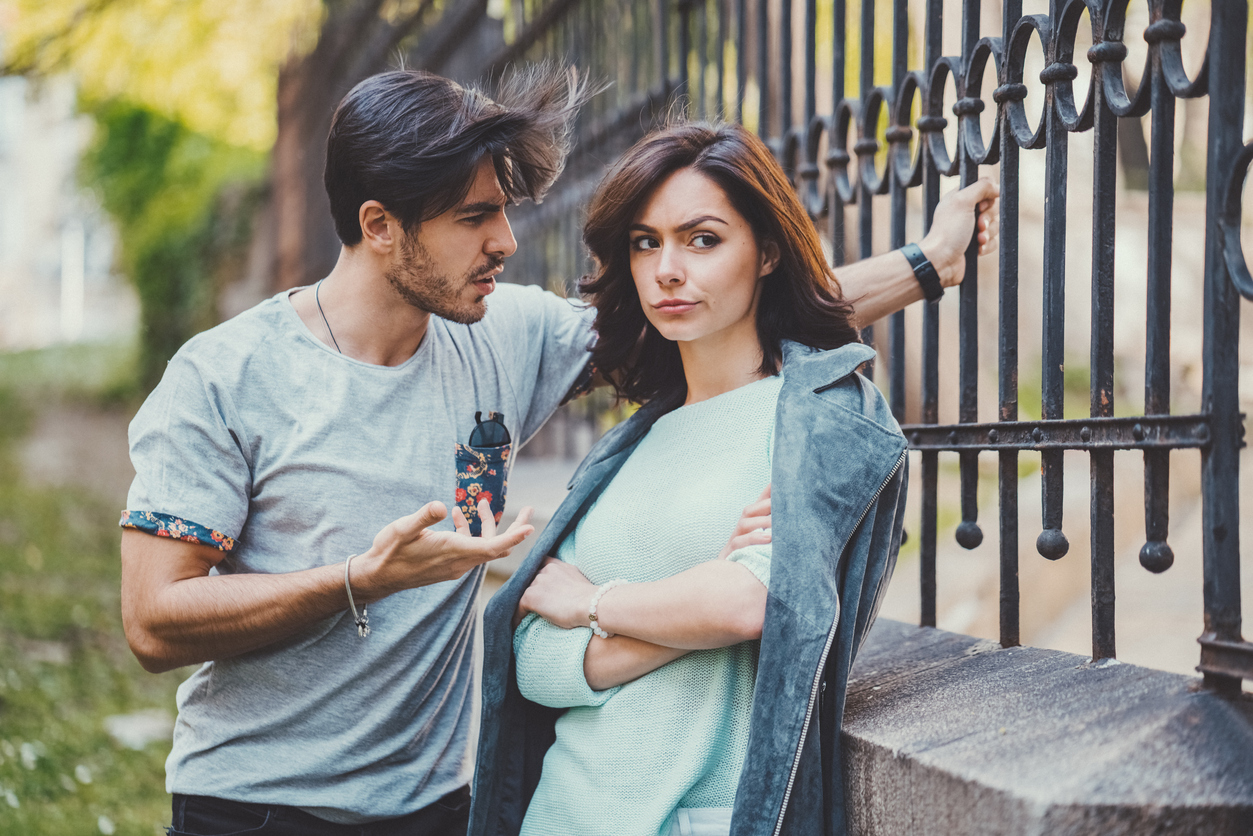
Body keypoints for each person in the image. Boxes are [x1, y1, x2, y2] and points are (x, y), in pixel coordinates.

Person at [118, 65, 996, 834]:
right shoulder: (225, 376)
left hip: (440, 805)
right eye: (475, 218)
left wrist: (927, 265)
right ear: (380, 225)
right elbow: (153, 621)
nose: (504, 241)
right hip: (261, 808)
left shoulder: (504, 333)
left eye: (502, 211)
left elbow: (714, 306)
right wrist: (363, 579)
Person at [468, 121, 939, 836]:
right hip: (559, 815)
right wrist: (683, 605)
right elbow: (532, 659)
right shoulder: (629, 445)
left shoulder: (814, 419)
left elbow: (748, 606)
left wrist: (593, 603)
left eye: (702, 240)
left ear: (768, 251)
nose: (666, 270)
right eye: (645, 242)